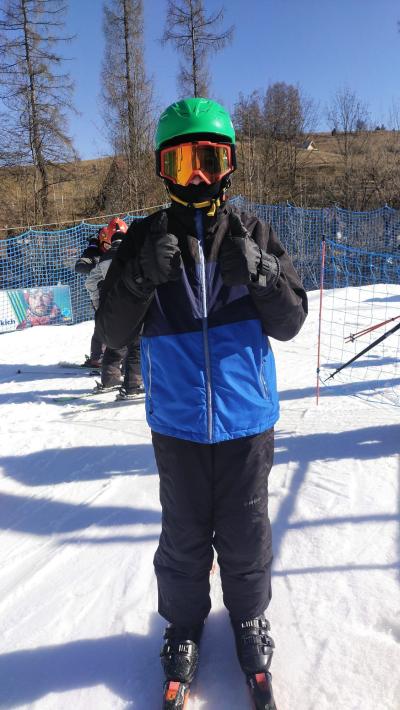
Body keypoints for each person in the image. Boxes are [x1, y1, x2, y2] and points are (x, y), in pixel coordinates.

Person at [96, 97, 308, 706]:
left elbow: (291, 321)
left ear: (229, 166)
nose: (195, 177)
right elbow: (111, 331)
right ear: (162, 169)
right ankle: (183, 625)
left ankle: (249, 617)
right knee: (184, 538)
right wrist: (139, 278)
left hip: (246, 422)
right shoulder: (144, 239)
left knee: (246, 534)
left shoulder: (252, 233)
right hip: (179, 425)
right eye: (181, 163)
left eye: (209, 161)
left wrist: (264, 274)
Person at [86, 218, 142, 397]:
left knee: (114, 343)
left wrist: (97, 302)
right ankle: (133, 384)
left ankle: (110, 379)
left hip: (111, 306)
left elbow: (90, 282)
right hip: (133, 306)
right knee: (135, 345)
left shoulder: (104, 259)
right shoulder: (134, 253)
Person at [74, 227, 106, 368]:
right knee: (101, 326)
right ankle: (97, 358)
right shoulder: (95, 251)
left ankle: (116, 358)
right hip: (99, 295)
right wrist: (92, 251)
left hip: (116, 293)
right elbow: (80, 266)